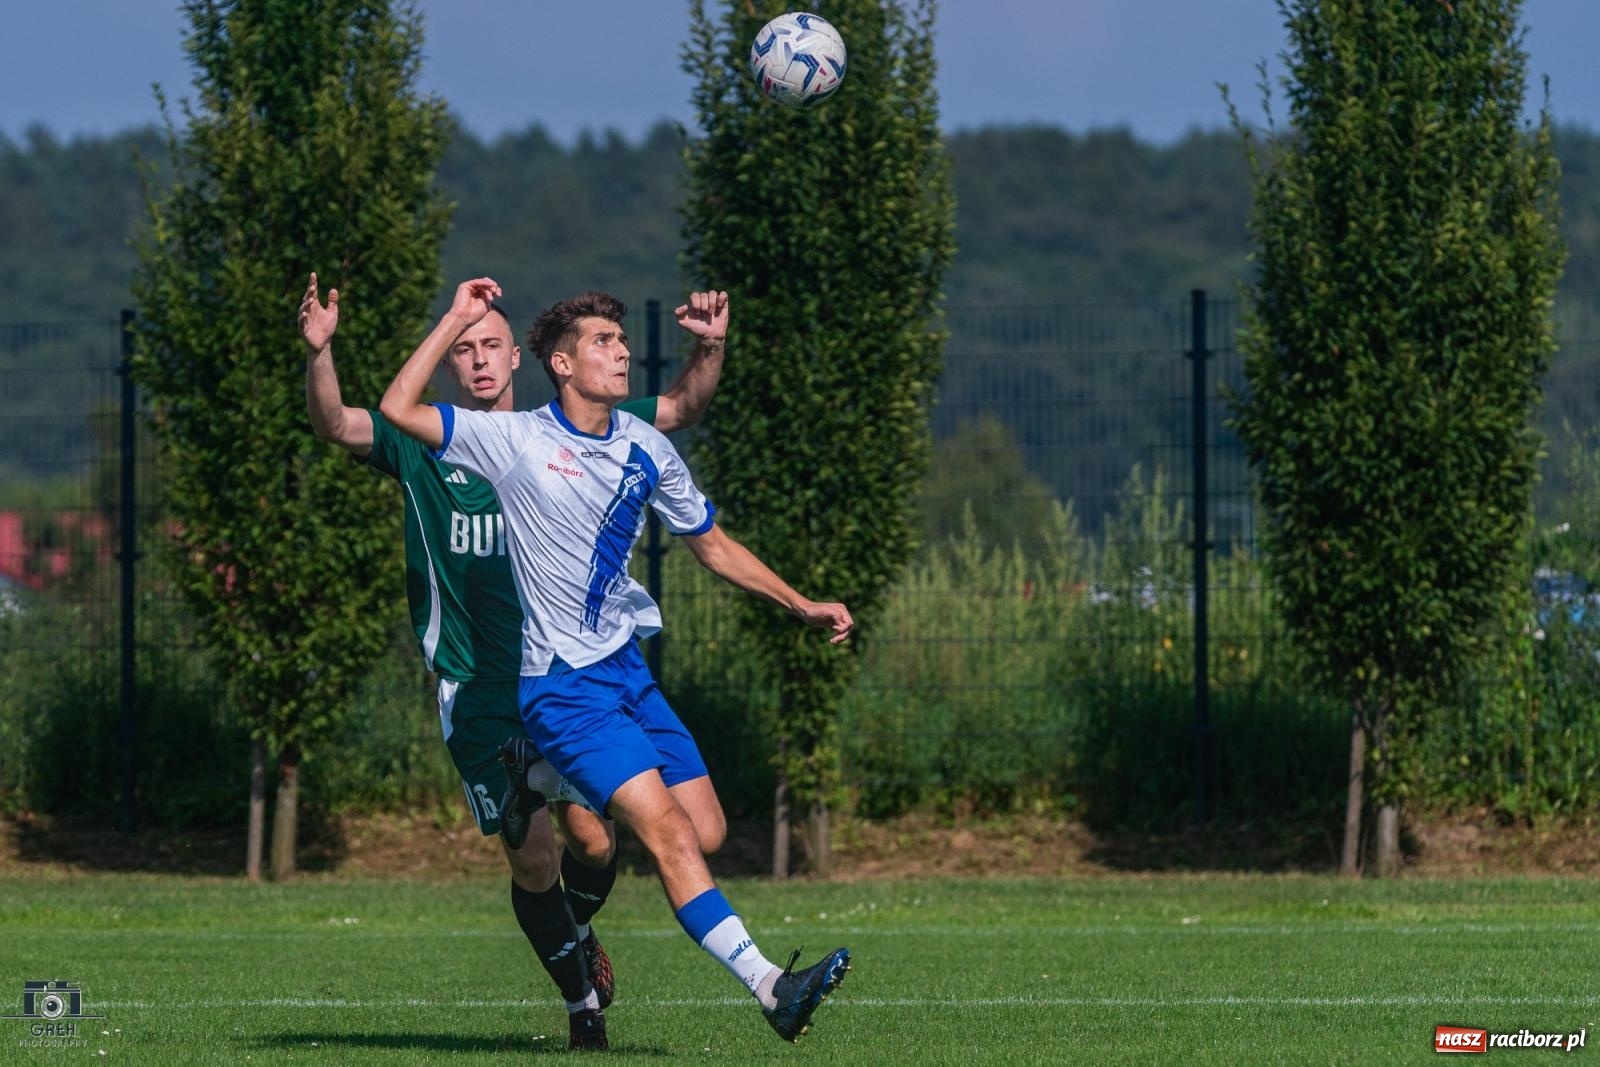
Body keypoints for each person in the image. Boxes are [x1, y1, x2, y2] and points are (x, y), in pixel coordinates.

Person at [378, 277, 853, 1045]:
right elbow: (398, 408)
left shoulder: (644, 445)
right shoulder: (518, 441)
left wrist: (800, 602)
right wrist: (457, 319)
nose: (623, 351)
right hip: (563, 686)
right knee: (666, 834)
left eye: (622, 340)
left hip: (625, 671)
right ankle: (773, 986)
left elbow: (713, 543)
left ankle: (532, 774)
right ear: (562, 365)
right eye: (604, 341)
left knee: (704, 829)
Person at [299, 272, 726, 1051]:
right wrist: (320, 352)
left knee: (595, 841)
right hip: (478, 687)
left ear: (520, 357)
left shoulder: (560, 431)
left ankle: (576, 931)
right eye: (464, 350)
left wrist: (710, 348)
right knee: (533, 857)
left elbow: (682, 407)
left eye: (491, 344)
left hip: (562, 677)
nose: (479, 359)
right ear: (450, 363)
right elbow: (334, 422)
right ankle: (582, 1007)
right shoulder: (425, 442)